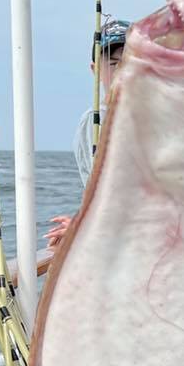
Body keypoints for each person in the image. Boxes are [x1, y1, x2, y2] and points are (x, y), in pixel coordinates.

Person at [45, 18, 130, 249]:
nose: (123, 71)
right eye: (113, 64)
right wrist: (81, 225)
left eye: (130, 63)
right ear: (95, 69)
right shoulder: (96, 122)